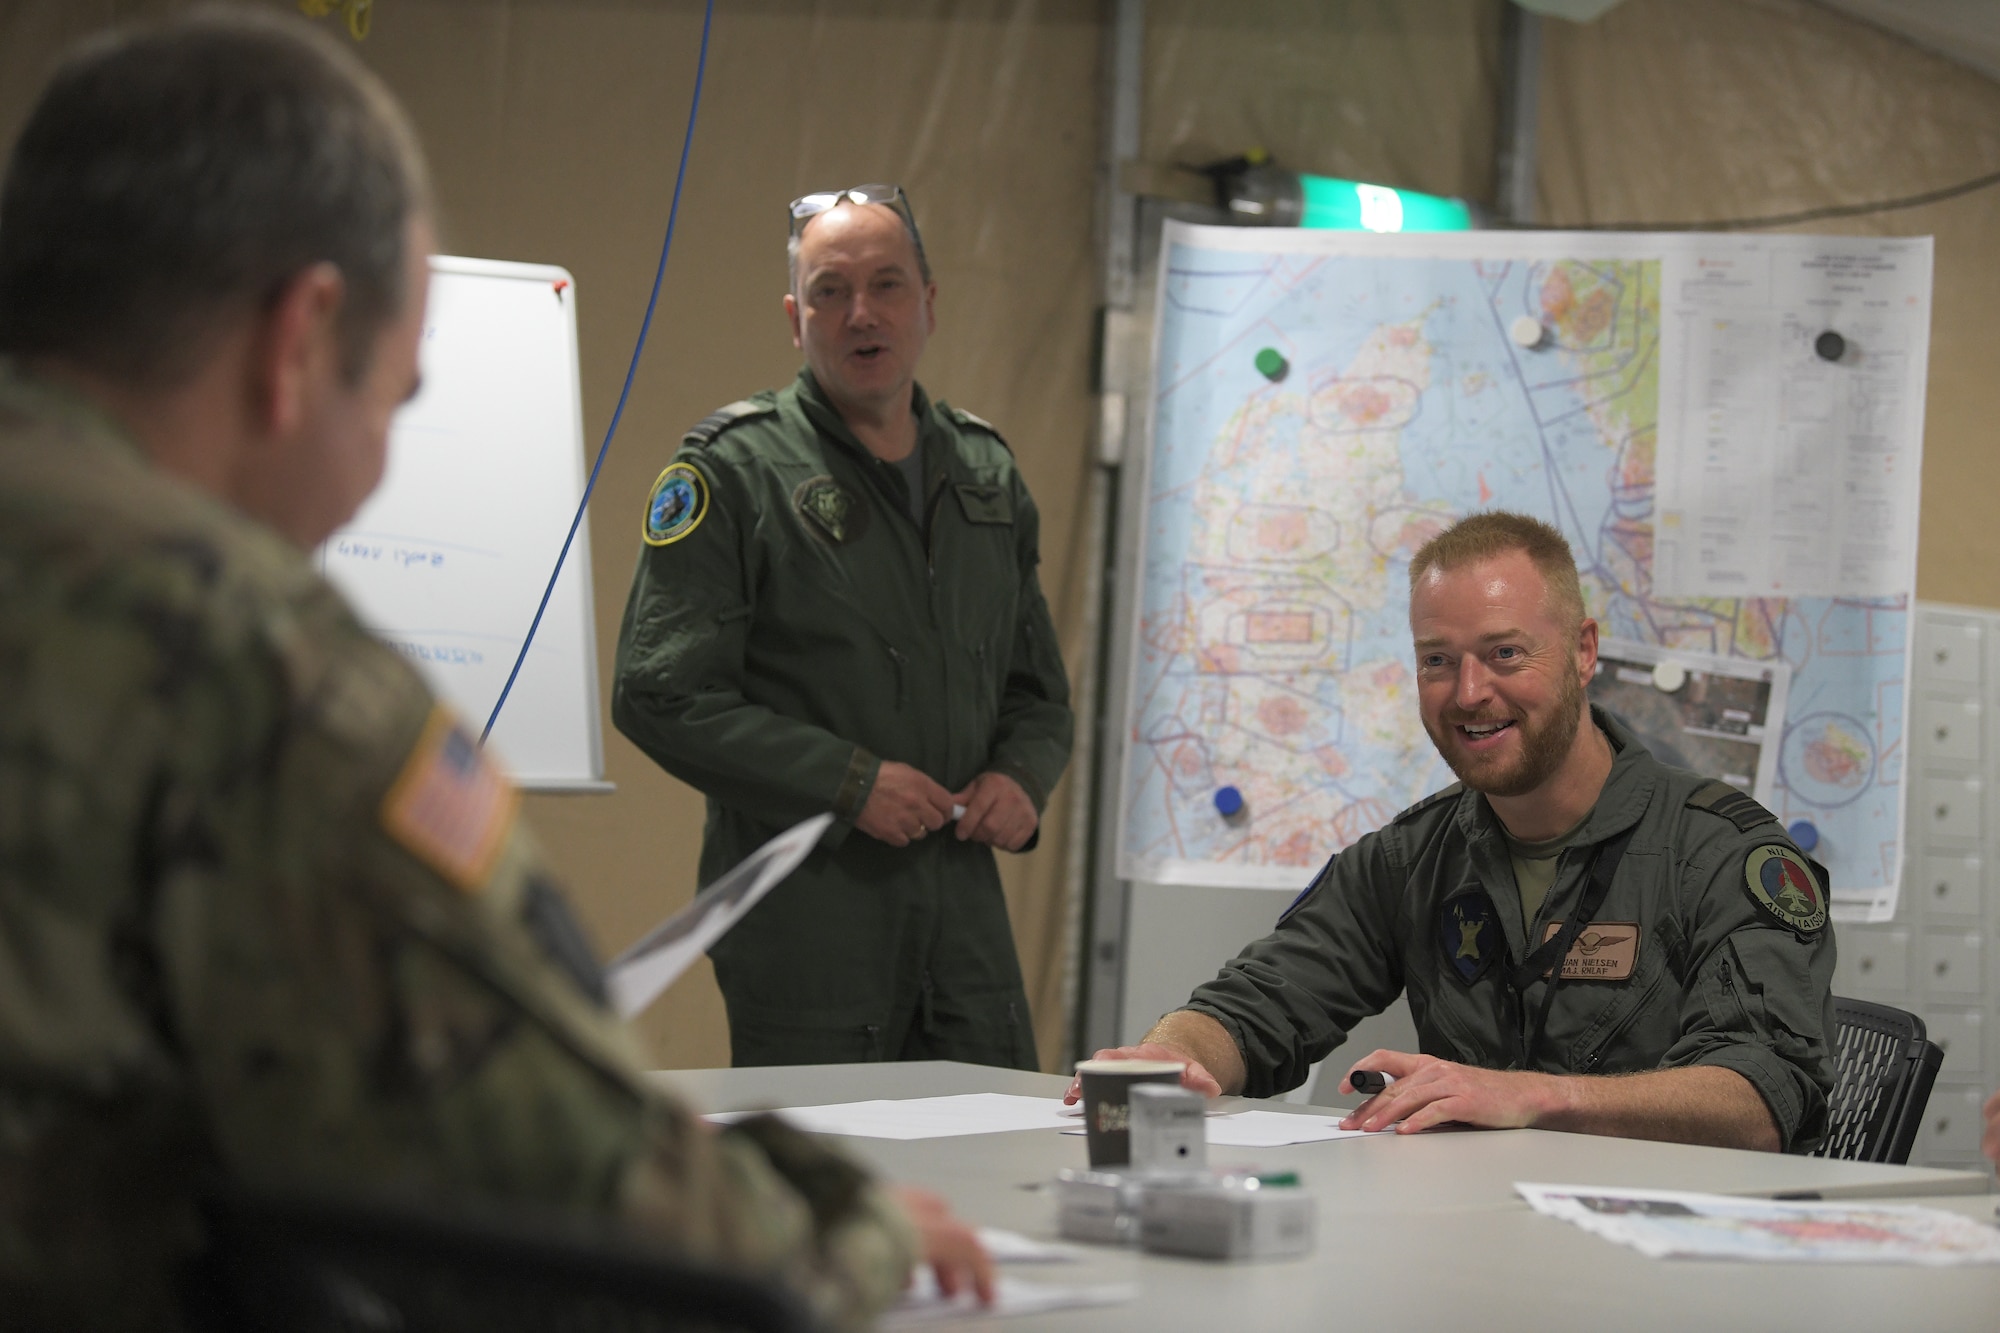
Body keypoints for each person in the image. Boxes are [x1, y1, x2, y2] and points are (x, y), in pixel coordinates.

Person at [0, 14, 987, 1329]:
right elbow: (610, 1215)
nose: (366, 487)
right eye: (397, 403)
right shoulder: (255, 670)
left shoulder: (978, 472)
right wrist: (849, 1221)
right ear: (298, 340)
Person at [1072, 511, 1838, 1153]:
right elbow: (1261, 1000)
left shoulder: (1720, 852)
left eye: (1505, 653)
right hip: (1470, 1243)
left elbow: (1762, 1098)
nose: (1470, 693)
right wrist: (1177, 1054)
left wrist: (1535, 1096)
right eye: (1438, 660)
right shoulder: (1414, 857)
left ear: (1582, 650)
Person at [611, 185, 1073, 1069]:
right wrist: (849, 780)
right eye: (830, 290)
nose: (861, 313)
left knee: (993, 1163)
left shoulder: (986, 471)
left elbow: (1039, 693)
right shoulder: (734, 470)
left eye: (888, 284)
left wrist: (1022, 776)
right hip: (811, 924)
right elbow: (658, 692)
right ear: (796, 317)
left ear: (930, 304)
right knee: (823, 1184)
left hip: (964, 923)